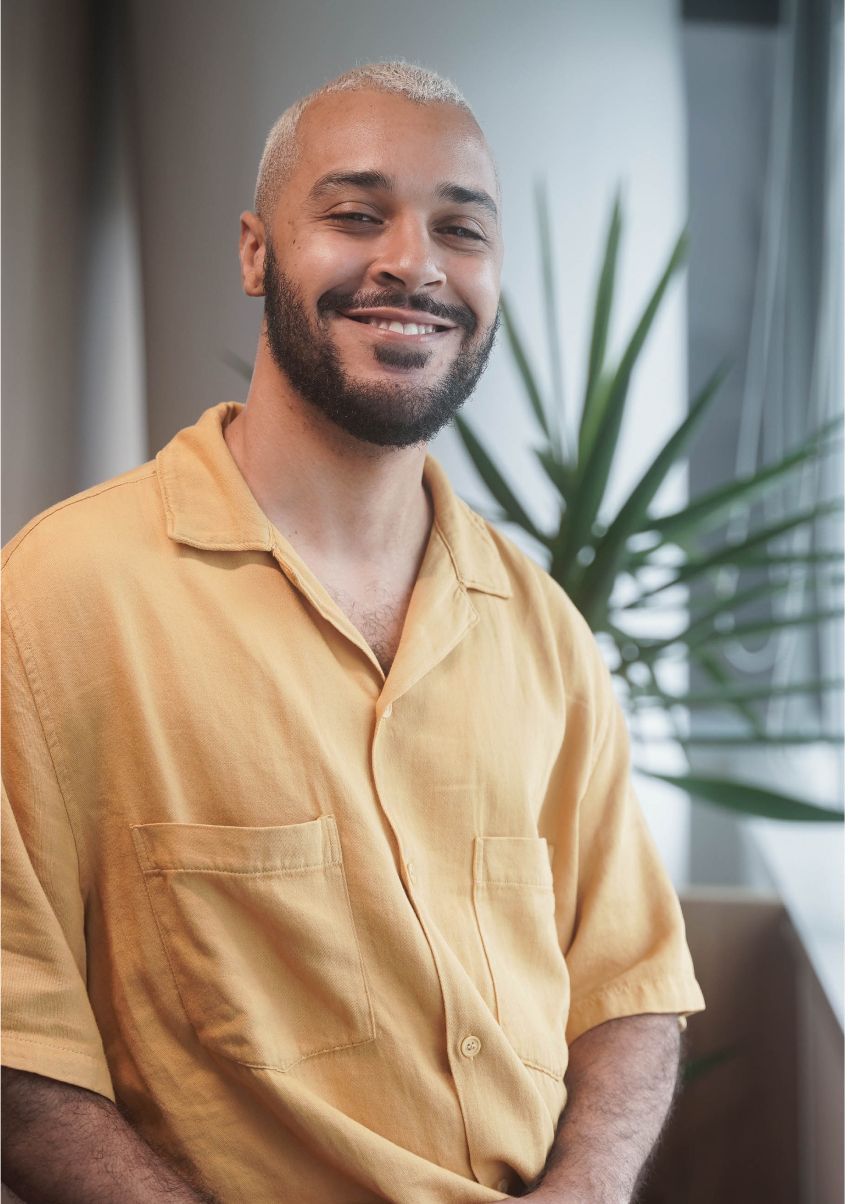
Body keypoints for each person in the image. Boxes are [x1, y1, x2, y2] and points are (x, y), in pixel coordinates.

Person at [1, 62, 704, 1204]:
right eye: (354, 213)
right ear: (253, 251)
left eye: (458, 228)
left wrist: (586, 1189)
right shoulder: (59, 600)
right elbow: (15, 1049)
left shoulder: (542, 634)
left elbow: (630, 988)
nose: (413, 264)